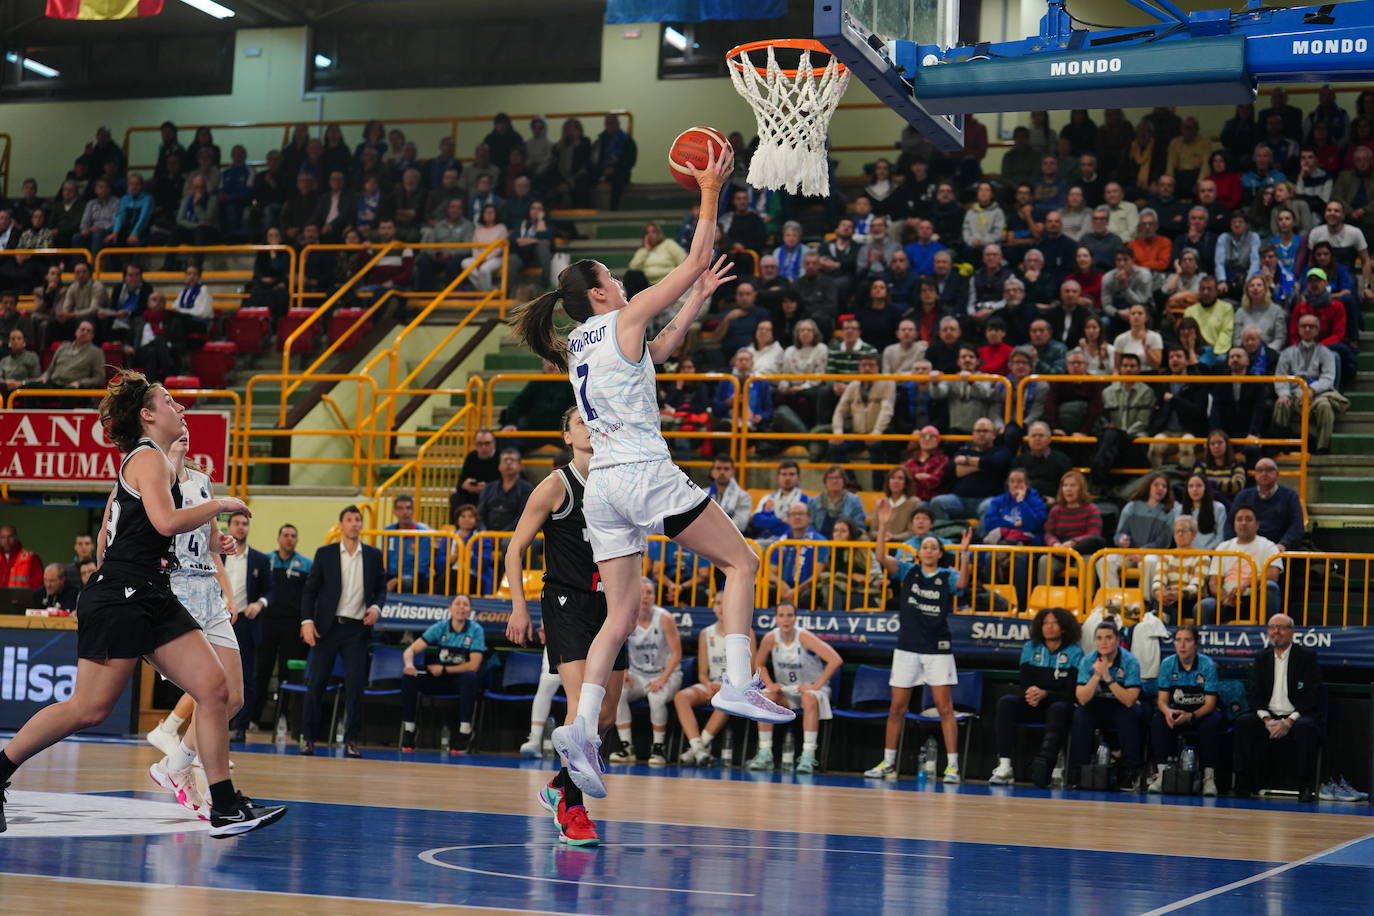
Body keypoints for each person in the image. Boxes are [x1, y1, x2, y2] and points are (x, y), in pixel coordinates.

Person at [511, 146, 795, 801]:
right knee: (743, 564)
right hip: (640, 472)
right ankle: (736, 678)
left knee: (617, 616)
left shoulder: (586, 341)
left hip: (604, 490)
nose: (622, 281)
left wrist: (693, 302)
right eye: (614, 275)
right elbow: (696, 256)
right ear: (602, 292)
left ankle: (580, 728)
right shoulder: (621, 318)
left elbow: (660, 351)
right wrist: (709, 188)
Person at [0, 371, 283, 837]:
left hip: (153, 590)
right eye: (170, 401)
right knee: (88, 709)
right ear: (147, 415)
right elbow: (167, 521)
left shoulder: (160, 463)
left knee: (215, 690)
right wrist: (221, 504)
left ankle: (225, 805)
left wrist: (210, 530)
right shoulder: (146, 459)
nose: (181, 408)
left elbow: (140, 526)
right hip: (121, 595)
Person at [505, 407, 628, 845]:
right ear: (566, 436)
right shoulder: (557, 485)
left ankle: (559, 783)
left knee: (608, 713)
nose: (588, 428)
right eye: (579, 422)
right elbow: (514, 549)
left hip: (611, 606)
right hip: (566, 602)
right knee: (581, 708)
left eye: (593, 421)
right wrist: (519, 609)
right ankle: (573, 810)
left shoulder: (618, 481)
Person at [145, 432, 244, 819]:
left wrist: (224, 545)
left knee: (233, 699)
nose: (183, 429)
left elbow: (211, 537)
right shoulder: (155, 478)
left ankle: (176, 764)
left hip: (209, 591)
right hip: (177, 588)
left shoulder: (203, 481)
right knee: (209, 693)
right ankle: (198, 779)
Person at [864, 509, 973, 782]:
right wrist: (883, 525)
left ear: (938, 554)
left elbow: (962, 582)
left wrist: (965, 554)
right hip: (907, 649)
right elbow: (880, 557)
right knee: (897, 707)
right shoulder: (908, 571)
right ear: (919, 552)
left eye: (932, 547)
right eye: (924, 547)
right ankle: (888, 763)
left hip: (937, 649)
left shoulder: (947, 576)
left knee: (944, 708)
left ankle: (952, 766)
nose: (927, 550)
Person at [299, 505, 386, 758]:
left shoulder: (372, 554)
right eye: (349, 519)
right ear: (341, 525)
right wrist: (306, 621)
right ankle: (309, 739)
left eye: (358, 520)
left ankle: (351, 740)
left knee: (355, 686)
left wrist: (377, 607)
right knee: (316, 684)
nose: (355, 523)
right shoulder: (325, 554)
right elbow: (310, 591)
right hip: (327, 628)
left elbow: (381, 588)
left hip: (357, 629)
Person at [1231, 613, 1324, 801]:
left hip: (1297, 714)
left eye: (1281, 627)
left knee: (1306, 728)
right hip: (1269, 715)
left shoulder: (1306, 657)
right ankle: (1243, 786)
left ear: (1292, 632)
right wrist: (1267, 720)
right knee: (1243, 723)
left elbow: (1311, 696)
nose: (1276, 632)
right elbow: (1255, 694)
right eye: (1272, 627)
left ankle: (1305, 787)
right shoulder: (1261, 658)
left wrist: (1288, 722)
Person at [989, 607, 1084, 787]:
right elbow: (1025, 683)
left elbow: (1071, 693)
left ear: (1064, 627)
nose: (1048, 627)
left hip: (1059, 705)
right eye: (1045, 623)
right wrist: (1032, 693)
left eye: (1054, 623)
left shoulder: (1075, 652)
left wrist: (1046, 694)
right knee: (1006, 703)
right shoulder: (1030, 648)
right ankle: (1005, 766)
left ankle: (1048, 764)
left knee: (1058, 709)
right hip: (1034, 703)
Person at [745, 601, 843, 774]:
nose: (786, 620)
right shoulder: (770, 638)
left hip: (813, 690)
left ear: (795, 618)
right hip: (788, 690)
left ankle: (807, 756)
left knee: (809, 697)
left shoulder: (804, 637)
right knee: (765, 697)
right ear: (776, 619)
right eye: (781, 615)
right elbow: (759, 664)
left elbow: (835, 660)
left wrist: (815, 685)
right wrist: (769, 684)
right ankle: (765, 752)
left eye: (789, 615)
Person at [609, 579, 683, 766]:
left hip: (666, 673)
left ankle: (659, 748)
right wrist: (624, 670)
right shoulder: (627, 617)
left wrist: (662, 679)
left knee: (656, 697)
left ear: (654, 596)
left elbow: (677, 653)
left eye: (649, 592)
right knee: (619, 694)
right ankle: (627, 747)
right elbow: (616, 646)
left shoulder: (665, 618)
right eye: (641, 592)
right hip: (639, 674)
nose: (645, 596)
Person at [675, 593, 753, 766]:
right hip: (711, 685)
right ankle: (698, 748)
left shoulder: (747, 633)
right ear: (713, 607)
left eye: (725, 603)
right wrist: (709, 684)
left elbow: (751, 671)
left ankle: (697, 749)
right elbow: (702, 672)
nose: (721, 607)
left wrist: (726, 686)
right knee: (681, 697)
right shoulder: (705, 633)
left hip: (737, 688)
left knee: (728, 698)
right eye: (718, 603)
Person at [400, 594, 484, 754]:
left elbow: (474, 665)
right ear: (450, 608)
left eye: (465, 604)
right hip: (439, 679)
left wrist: (444, 669)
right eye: (457, 603)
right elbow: (410, 650)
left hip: (458, 681)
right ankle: (409, 730)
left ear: (470, 610)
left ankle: (465, 732)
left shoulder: (476, 630)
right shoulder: (441, 627)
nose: (461, 607)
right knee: (409, 676)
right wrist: (409, 665)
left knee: (471, 677)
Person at [1147, 624, 1222, 796]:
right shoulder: (1167, 664)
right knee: (1158, 721)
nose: (1182, 645)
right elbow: (1162, 700)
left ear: (1196, 644)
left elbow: (1210, 703)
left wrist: (1190, 716)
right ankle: (1161, 775)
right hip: (1175, 712)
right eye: (1178, 640)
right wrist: (1167, 712)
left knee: (1213, 723)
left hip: (1199, 713)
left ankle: (1208, 779)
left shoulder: (1207, 665)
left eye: (1187, 640)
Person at [1070, 620, 1146, 789]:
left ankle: (1130, 772)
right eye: (1099, 638)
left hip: (1121, 706)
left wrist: (1107, 677)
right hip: (1097, 704)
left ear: (1118, 640)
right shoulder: (1087, 661)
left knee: (1130, 714)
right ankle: (1079, 771)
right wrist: (1096, 676)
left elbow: (1129, 699)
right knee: (1080, 715)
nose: (1103, 642)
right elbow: (1082, 699)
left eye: (1108, 638)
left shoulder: (1130, 661)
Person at [252, 523, 311, 731]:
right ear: (278, 538)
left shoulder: (306, 564)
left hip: (292, 626)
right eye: (285, 535)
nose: (289, 539)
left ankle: (283, 718)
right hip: (267, 623)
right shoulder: (266, 561)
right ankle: (253, 719)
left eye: (293, 536)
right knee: (262, 672)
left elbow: (309, 597)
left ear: (297, 540)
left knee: (287, 674)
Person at [1205, 504, 1283, 624]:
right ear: (1234, 524)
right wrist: (1224, 597)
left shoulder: (1269, 546)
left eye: (1248, 519)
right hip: (1229, 599)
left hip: (1255, 599)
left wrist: (1246, 584)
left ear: (1257, 525)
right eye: (1239, 519)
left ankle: (1266, 635)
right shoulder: (1223, 547)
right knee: (1205, 606)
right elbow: (1214, 582)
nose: (1243, 523)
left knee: (1270, 588)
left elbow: (1272, 576)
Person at [1228, 457, 1305, 549]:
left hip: (1279, 550)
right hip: (1246, 548)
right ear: (1255, 475)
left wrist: (1284, 544)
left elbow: (1297, 526)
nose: (1264, 473)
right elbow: (1230, 523)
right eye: (1260, 470)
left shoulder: (1290, 496)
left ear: (1277, 474)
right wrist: (1235, 545)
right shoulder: (1243, 496)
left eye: (1269, 470)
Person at [383, 494, 436, 593]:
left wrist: (398, 580)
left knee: (406, 582)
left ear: (413, 511)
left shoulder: (423, 533)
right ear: (394, 512)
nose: (405, 512)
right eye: (400, 508)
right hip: (392, 575)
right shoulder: (387, 531)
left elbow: (422, 566)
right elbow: (385, 560)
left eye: (408, 508)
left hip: (416, 577)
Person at [477, 448, 535, 533]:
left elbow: (523, 518)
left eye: (512, 460)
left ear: (520, 466)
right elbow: (480, 515)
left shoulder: (527, 489)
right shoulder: (488, 488)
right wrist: (484, 533)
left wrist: (501, 536)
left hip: (514, 535)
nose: (508, 463)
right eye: (505, 460)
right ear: (499, 466)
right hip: (487, 535)